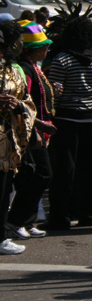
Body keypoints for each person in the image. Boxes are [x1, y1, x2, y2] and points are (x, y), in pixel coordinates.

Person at [44, 18, 92, 231]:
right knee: (89, 170)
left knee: (64, 171)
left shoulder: (62, 60)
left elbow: (54, 94)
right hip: (91, 121)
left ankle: (60, 216)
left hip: (65, 120)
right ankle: (88, 214)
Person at [7, 22, 56, 241]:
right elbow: (23, 101)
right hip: (25, 131)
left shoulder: (33, 67)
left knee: (37, 175)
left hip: (35, 129)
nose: (47, 50)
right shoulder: (24, 69)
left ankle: (24, 221)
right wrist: (36, 129)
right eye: (44, 47)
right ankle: (16, 221)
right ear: (35, 50)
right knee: (37, 174)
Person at [0, 22, 37, 254]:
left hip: (7, 137)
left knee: (4, 190)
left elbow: (27, 99)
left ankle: (2, 236)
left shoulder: (12, 70)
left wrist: (18, 105)